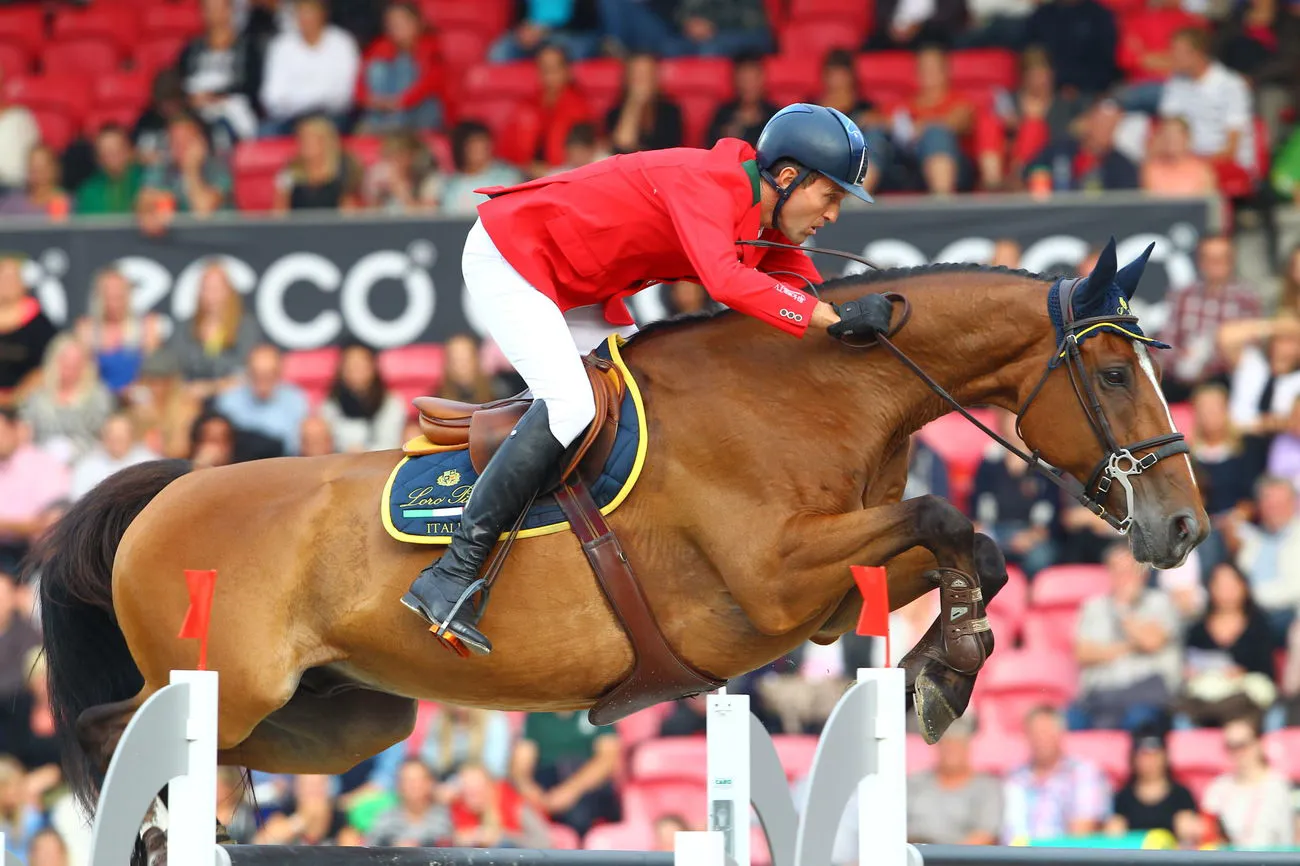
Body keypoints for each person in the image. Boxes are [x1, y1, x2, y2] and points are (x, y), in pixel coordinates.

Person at [399, 103, 892, 656]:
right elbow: (727, 283)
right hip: (513, 258)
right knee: (573, 407)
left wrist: (851, 319)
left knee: (644, 400)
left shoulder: (761, 219)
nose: (833, 215)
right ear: (786, 177)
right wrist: (827, 318)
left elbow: (806, 289)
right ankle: (451, 573)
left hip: (577, 287)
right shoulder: (709, 183)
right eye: (830, 196)